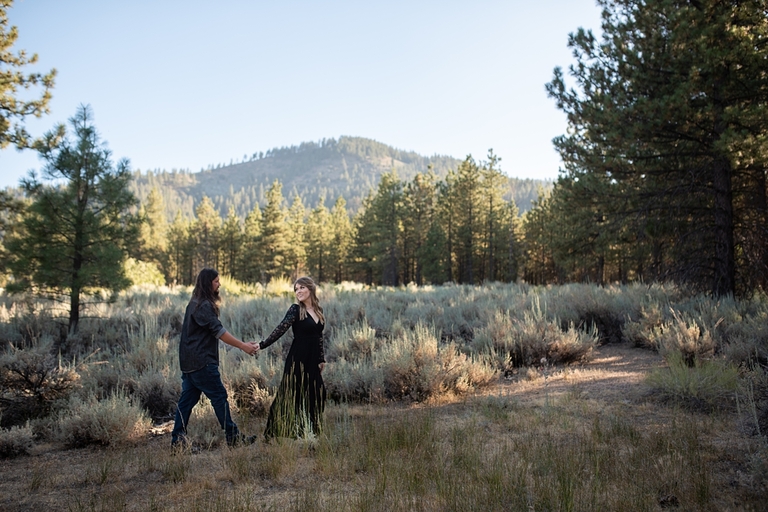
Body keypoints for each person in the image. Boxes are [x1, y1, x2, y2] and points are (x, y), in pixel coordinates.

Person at [171, 268, 260, 448]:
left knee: (186, 402)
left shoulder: (194, 303)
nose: (219, 284)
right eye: (216, 281)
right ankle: (233, 438)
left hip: (189, 363)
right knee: (219, 396)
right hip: (202, 362)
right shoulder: (203, 305)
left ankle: (178, 442)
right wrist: (243, 346)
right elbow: (219, 332)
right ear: (207, 282)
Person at [259, 276, 326, 439]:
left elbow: (319, 336)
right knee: (290, 394)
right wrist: (262, 344)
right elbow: (281, 329)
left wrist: (321, 358)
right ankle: (274, 432)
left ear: (310, 288)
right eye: (296, 289)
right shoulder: (295, 310)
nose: (298, 292)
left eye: (302, 288)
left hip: (313, 359)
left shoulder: (318, 310)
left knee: (317, 393)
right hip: (298, 357)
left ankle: (311, 430)